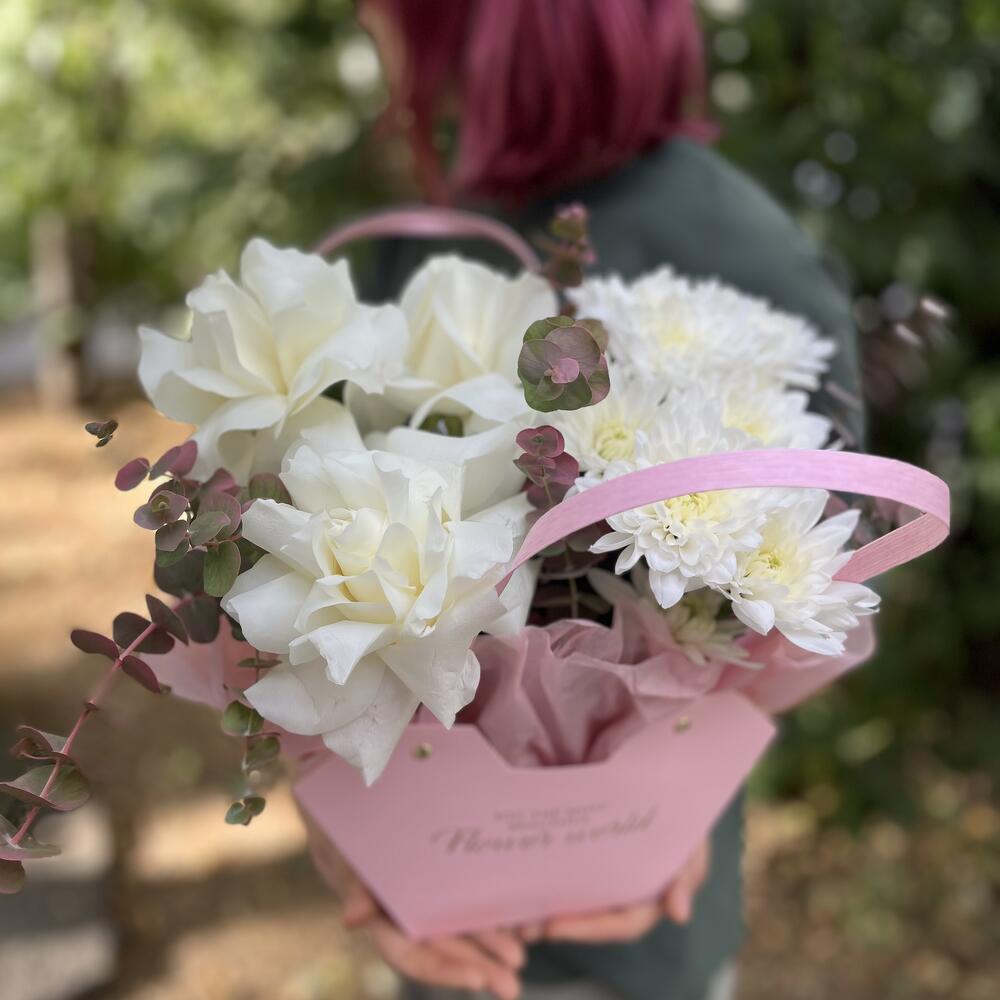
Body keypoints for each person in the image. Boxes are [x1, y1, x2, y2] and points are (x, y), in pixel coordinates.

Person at [309, 2, 864, 998]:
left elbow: (823, 590)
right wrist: (342, 816)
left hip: (632, 930)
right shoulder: (438, 233)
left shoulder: (738, 262)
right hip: (454, 913)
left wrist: (676, 784)